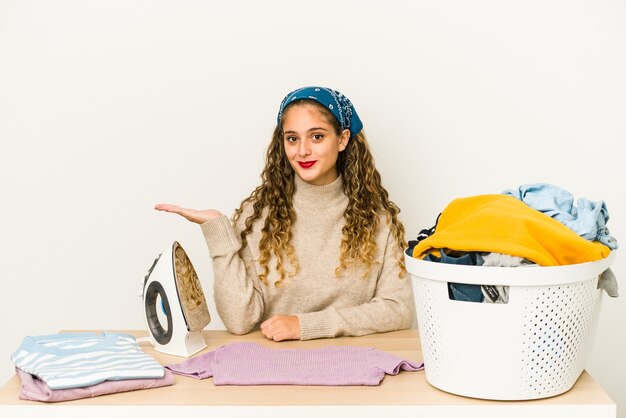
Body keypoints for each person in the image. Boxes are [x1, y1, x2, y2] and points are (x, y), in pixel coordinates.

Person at [155, 86, 415, 342]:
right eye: (292, 138)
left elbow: (399, 310)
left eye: (317, 136)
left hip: (358, 365)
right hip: (275, 366)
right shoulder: (260, 216)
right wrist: (216, 232)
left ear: (343, 139)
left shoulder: (377, 219)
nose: (302, 151)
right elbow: (239, 321)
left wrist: (306, 325)